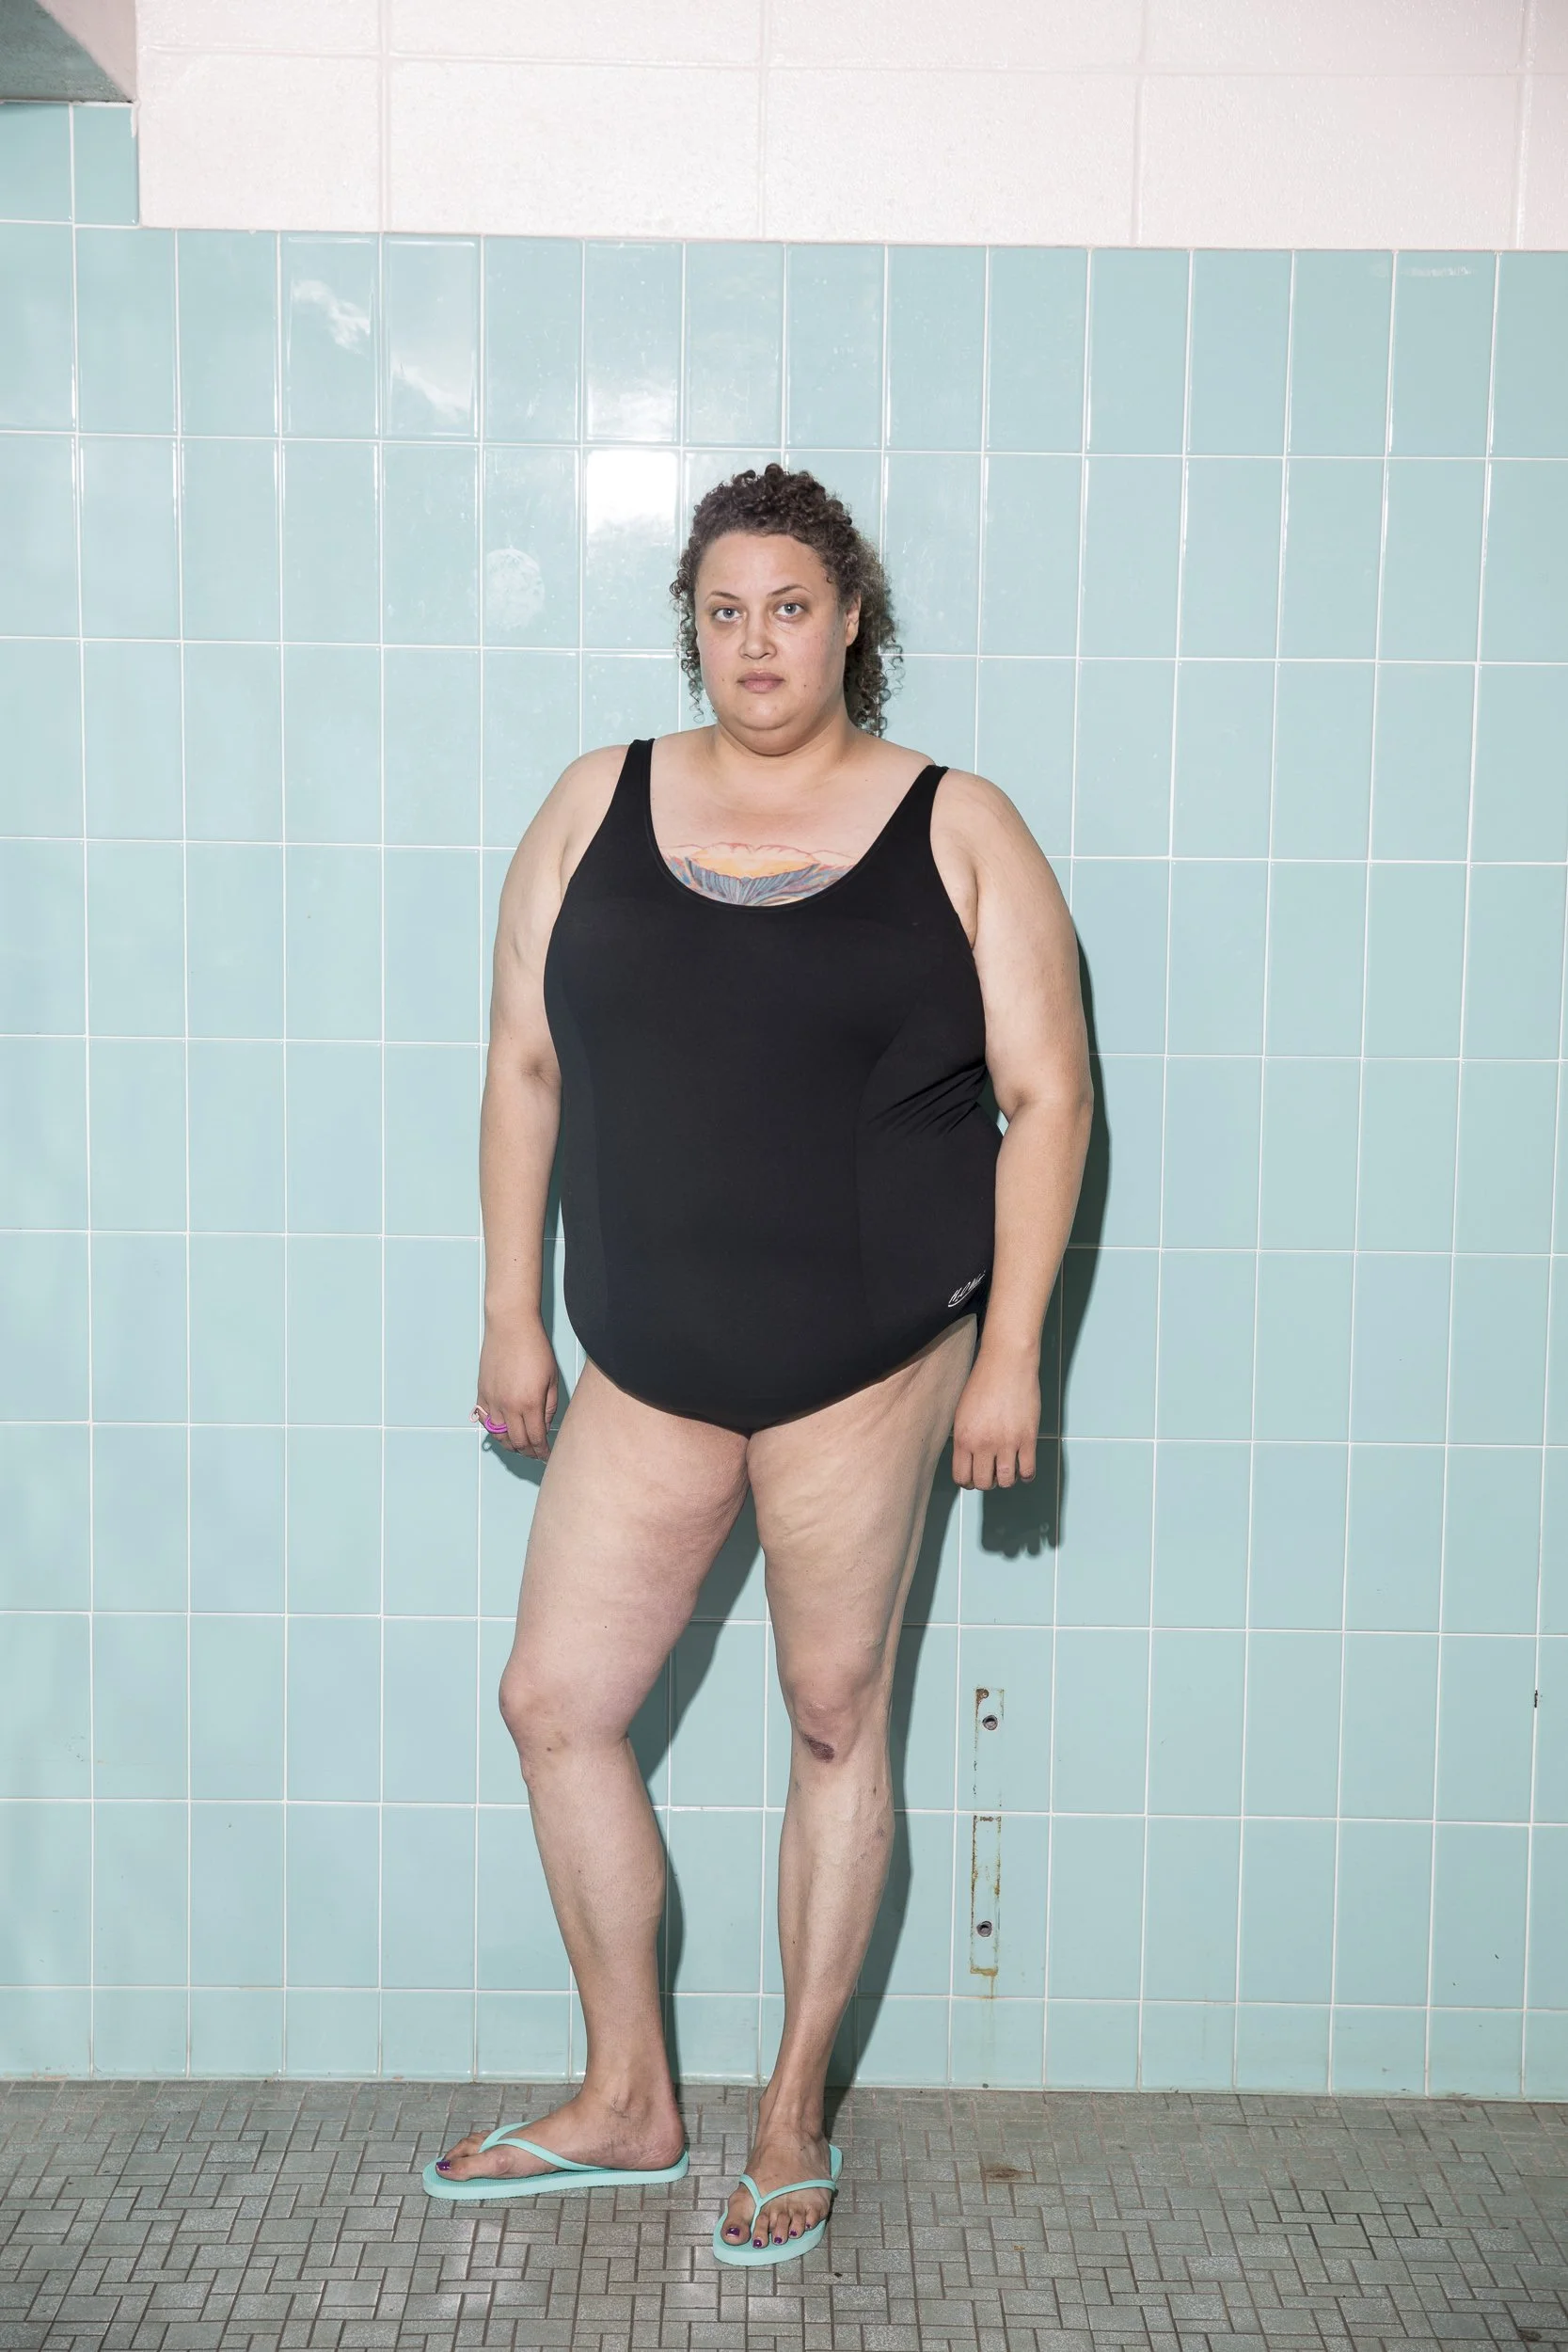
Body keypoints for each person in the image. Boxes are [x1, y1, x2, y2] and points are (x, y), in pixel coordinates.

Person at [424, 465, 1092, 2264]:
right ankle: (627, 2095)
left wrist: (1009, 1349)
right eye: (722, 609)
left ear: (849, 618)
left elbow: (1046, 1097)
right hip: (645, 1347)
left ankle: (791, 2115)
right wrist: (511, 1307)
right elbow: (521, 1062)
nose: (754, 641)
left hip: (863, 1355)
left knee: (827, 1721)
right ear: (691, 626)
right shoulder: (597, 802)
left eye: (787, 605)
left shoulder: (956, 824)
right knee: (554, 1704)